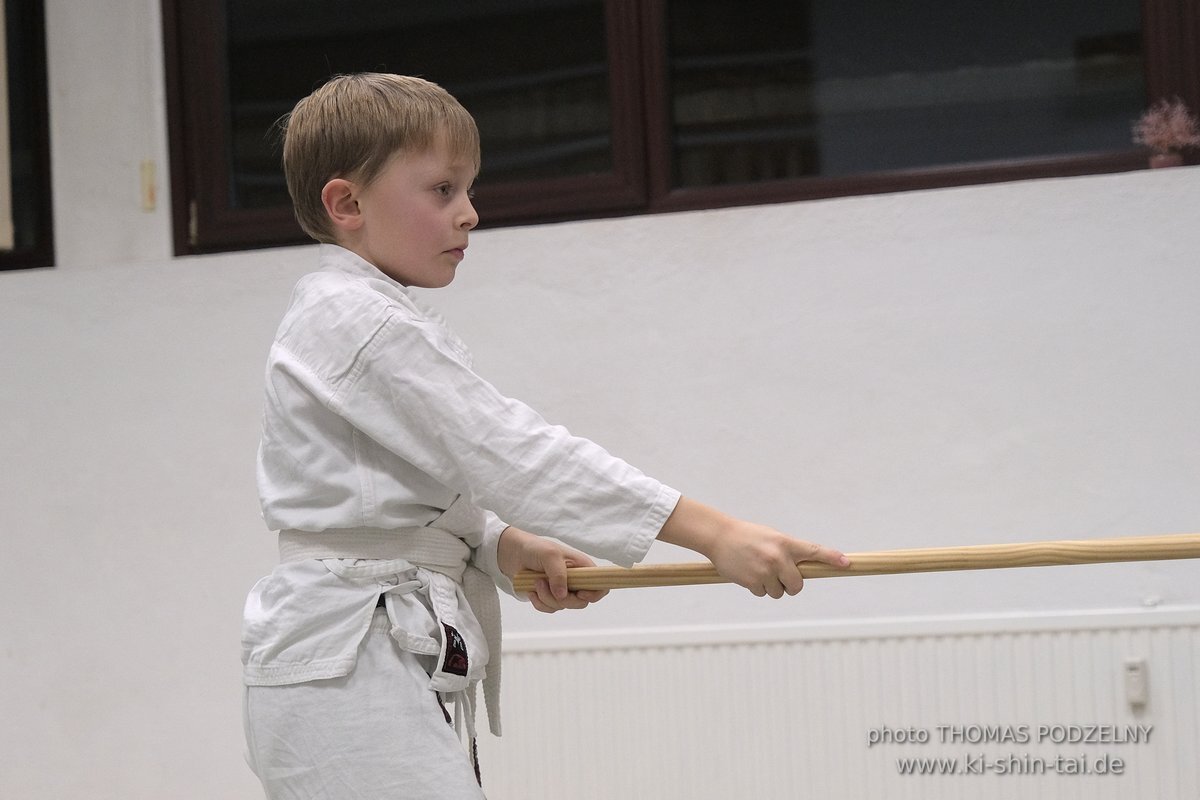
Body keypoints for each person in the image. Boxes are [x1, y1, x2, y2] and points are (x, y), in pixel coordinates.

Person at [241, 72, 849, 798]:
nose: (469, 214)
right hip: (345, 662)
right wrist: (715, 533)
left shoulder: (361, 317)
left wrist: (502, 546)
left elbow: (395, 492)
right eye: (441, 190)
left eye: (467, 190)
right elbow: (510, 451)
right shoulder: (355, 321)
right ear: (346, 203)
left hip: (360, 653)